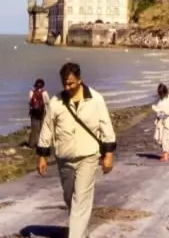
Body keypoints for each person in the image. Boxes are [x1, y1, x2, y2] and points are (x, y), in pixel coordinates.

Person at [36, 62, 117, 238]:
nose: (67, 87)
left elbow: (106, 127)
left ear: (80, 80)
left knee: (81, 200)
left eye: (71, 83)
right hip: (64, 158)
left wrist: (108, 154)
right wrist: (42, 155)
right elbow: (47, 127)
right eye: (64, 83)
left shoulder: (96, 99)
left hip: (88, 156)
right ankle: (80, 231)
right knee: (70, 198)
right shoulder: (56, 102)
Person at [151, 83, 169, 162]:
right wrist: (157, 111)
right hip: (161, 122)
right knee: (158, 138)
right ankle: (167, 152)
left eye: (162, 93)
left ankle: (165, 156)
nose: (161, 95)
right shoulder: (160, 100)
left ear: (165, 91)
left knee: (166, 139)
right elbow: (160, 114)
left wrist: (164, 112)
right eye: (160, 93)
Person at [27, 78, 50, 149]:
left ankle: (31, 144)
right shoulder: (45, 93)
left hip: (33, 112)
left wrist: (30, 110)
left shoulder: (31, 92)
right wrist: (47, 112)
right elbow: (48, 103)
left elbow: (29, 102)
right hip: (42, 112)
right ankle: (40, 144)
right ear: (43, 85)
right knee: (42, 128)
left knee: (34, 128)